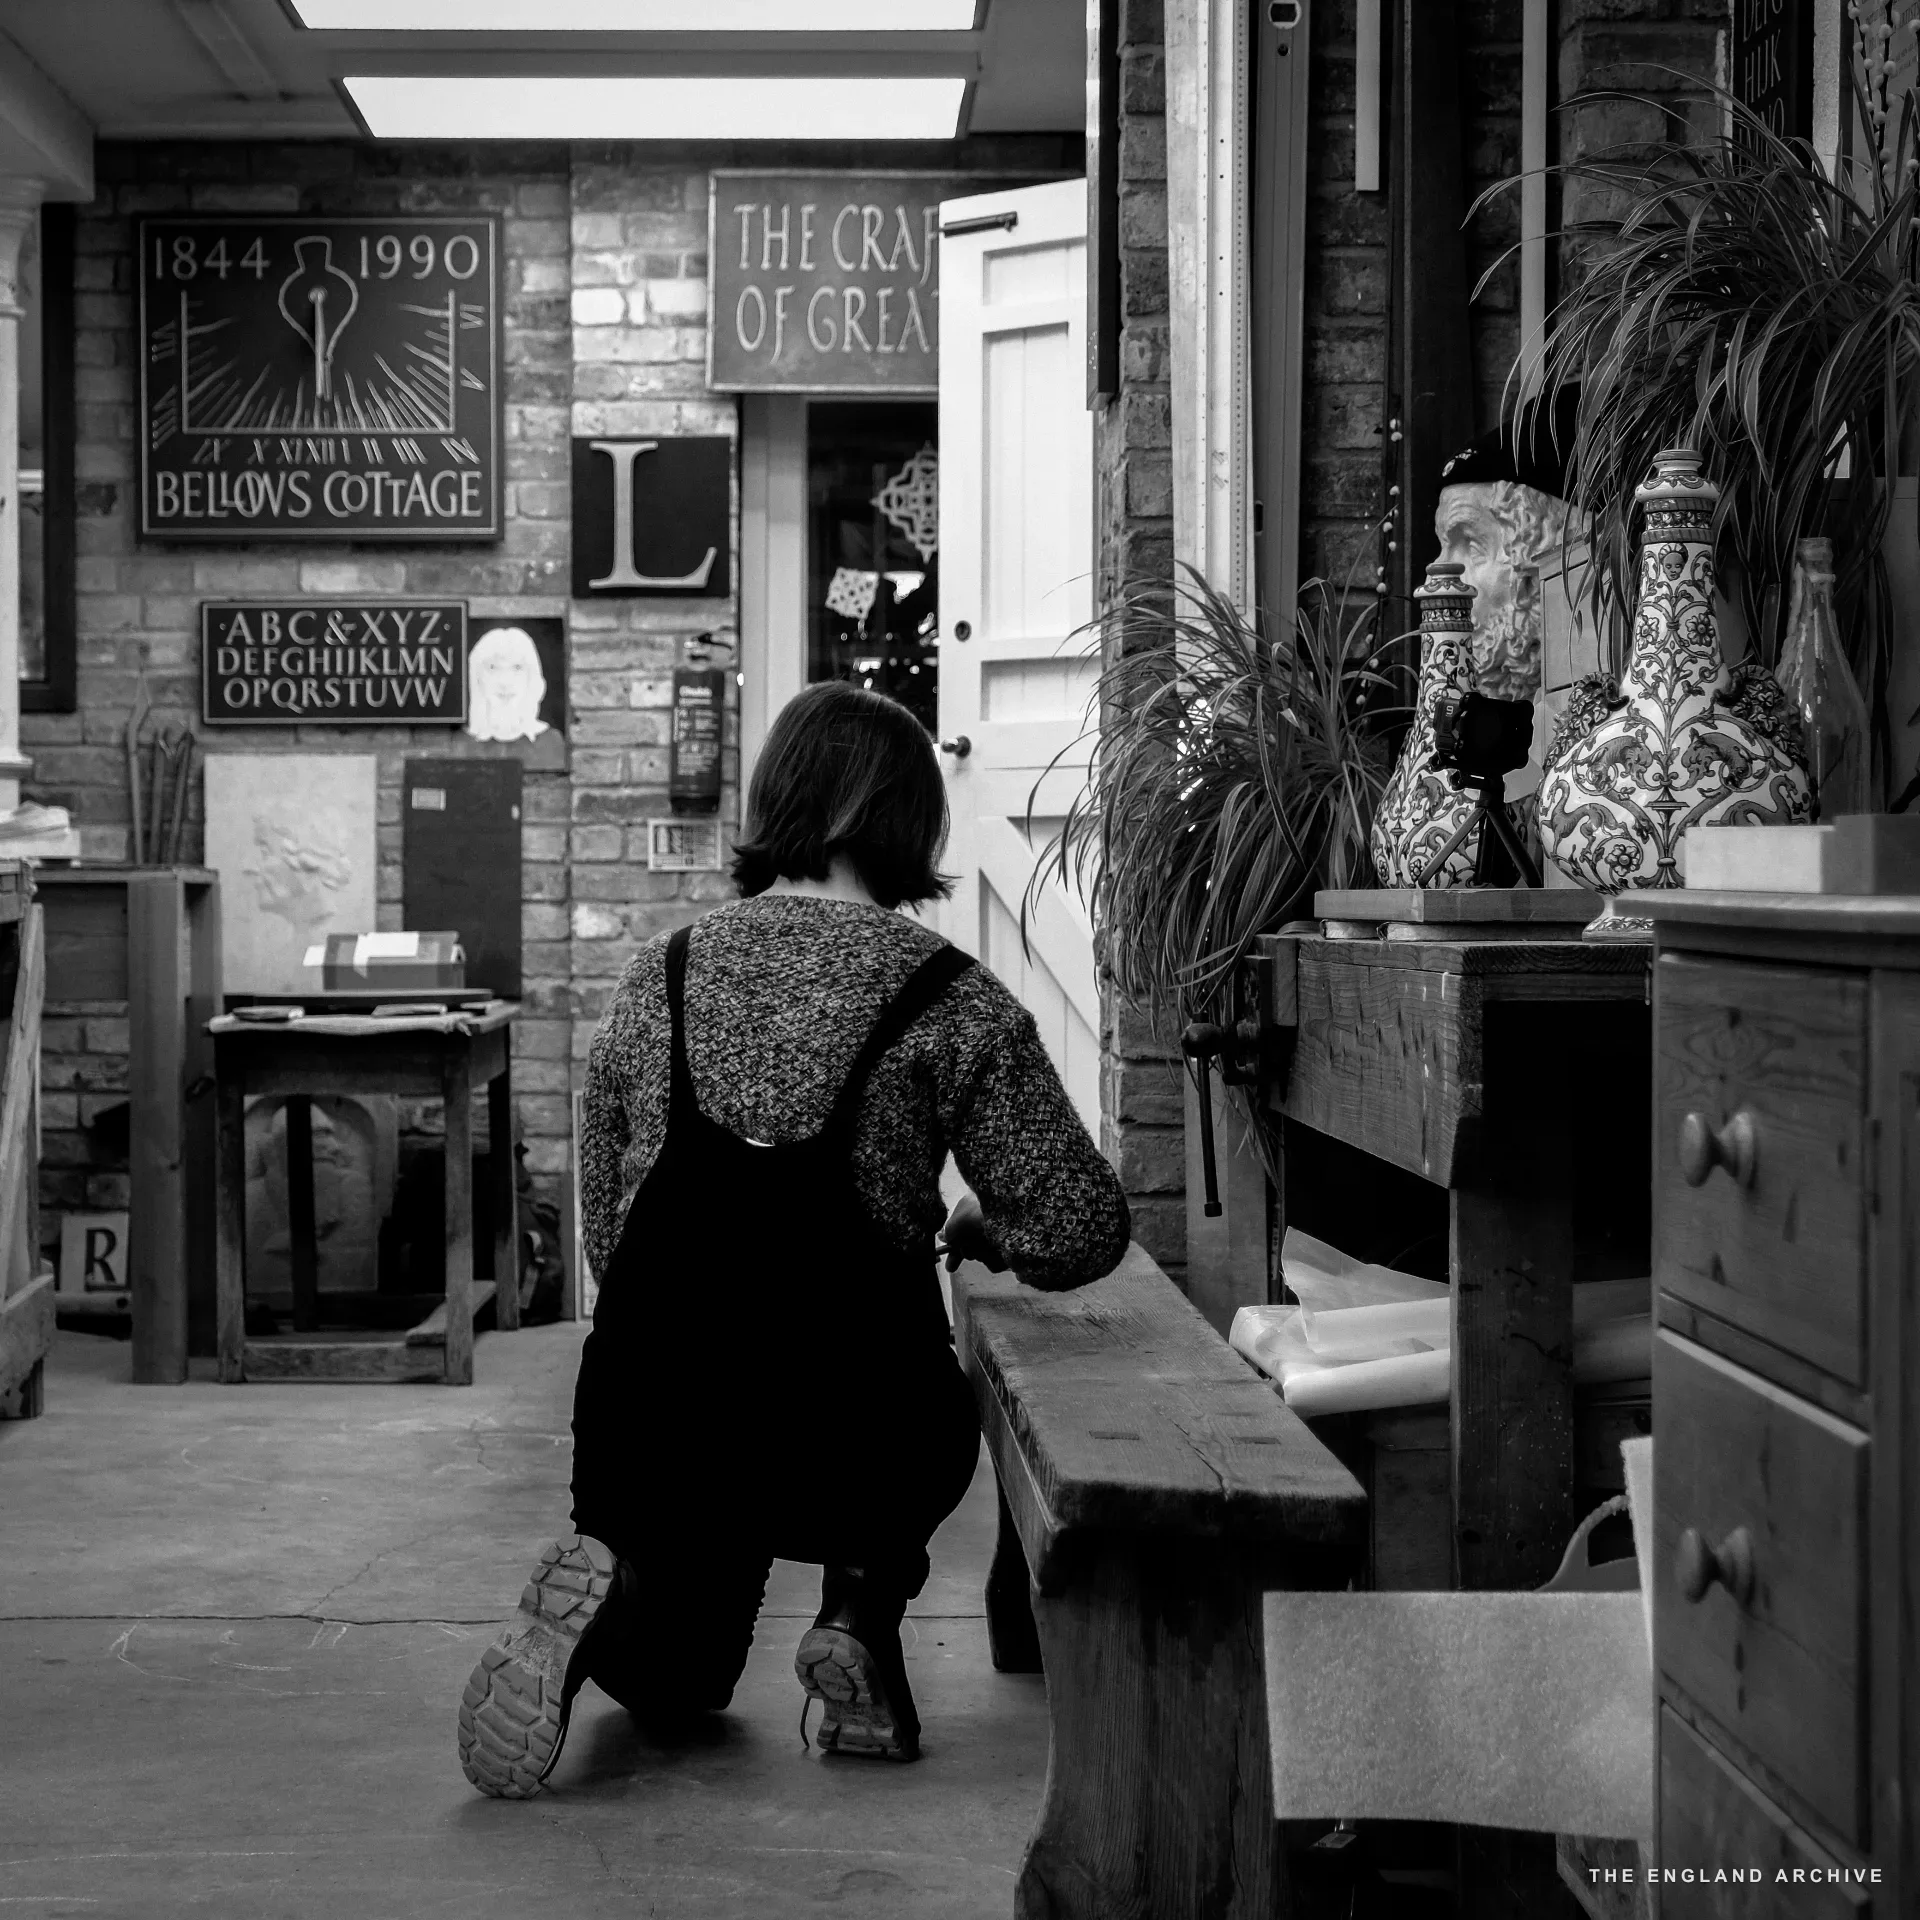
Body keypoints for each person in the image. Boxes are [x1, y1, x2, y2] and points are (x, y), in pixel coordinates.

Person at [458, 681, 1130, 1798]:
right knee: (932, 1406)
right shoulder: (950, 998)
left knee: (679, 1684)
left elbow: (610, 1238)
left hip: (653, 1427)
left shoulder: (656, 978)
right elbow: (1082, 1225)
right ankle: (860, 1613)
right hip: (846, 1434)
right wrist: (986, 1228)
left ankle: (611, 1599)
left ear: (776, 803)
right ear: (915, 824)